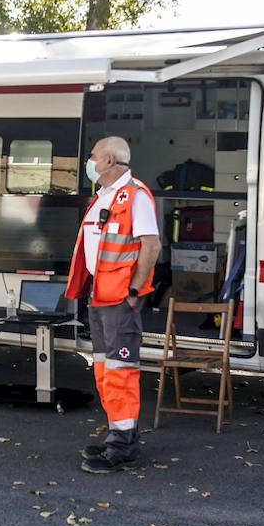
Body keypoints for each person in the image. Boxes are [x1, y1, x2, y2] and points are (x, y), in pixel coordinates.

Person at [66, 136, 161, 473]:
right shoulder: (103, 196)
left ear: (108, 161)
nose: (88, 161)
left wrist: (135, 291)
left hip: (120, 300)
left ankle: (121, 447)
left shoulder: (135, 195)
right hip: (100, 297)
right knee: (105, 371)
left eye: (92, 156)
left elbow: (151, 246)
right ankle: (120, 437)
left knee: (120, 374)